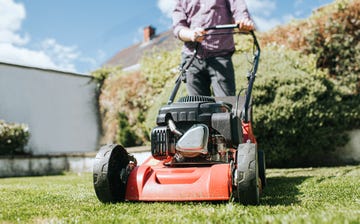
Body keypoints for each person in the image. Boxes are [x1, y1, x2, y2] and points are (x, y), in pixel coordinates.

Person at [172, 0, 255, 97]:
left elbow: (238, 8)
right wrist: (191, 34)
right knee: (197, 107)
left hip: (221, 56)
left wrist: (243, 20)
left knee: (225, 106)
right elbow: (178, 28)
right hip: (191, 59)